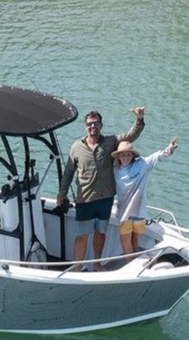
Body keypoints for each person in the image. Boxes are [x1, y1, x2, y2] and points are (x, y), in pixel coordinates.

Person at [57, 107, 145, 270]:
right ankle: (77, 267)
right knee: (82, 236)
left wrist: (139, 119)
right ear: (85, 127)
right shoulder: (76, 147)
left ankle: (97, 263)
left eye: (96, 123)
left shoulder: (111, 142)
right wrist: (61, 193)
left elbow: (130, 136)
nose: (93, 127)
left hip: (105, 199)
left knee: (100, 233)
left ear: (101, 125)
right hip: (85, 199)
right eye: (90, 124)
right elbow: (69, 172)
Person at [112, 137, 177, 256]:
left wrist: (170, 149)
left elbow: (157, 157)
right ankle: (131, 263)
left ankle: (130, 265)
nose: (125, 157)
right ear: (118, 157)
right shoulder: (115, 171)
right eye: (122, 155)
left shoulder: (142, 164)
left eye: (128, 155)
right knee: (125, 242)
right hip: (123, 212)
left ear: (132, 156)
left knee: (134, 240)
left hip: (138, 211)